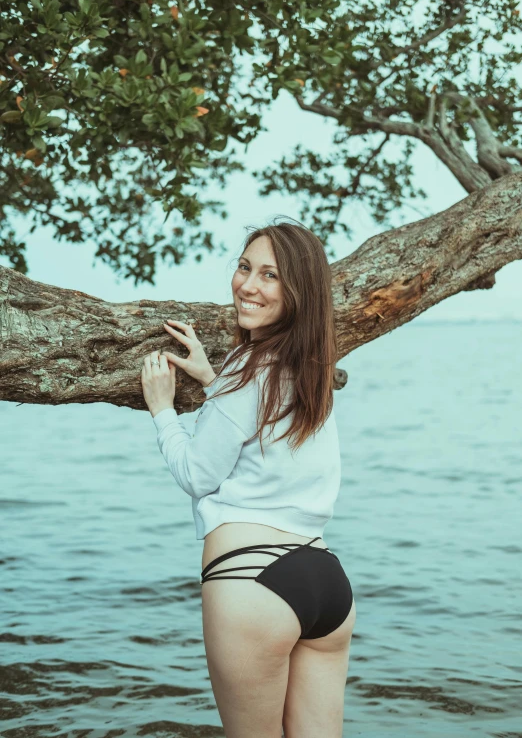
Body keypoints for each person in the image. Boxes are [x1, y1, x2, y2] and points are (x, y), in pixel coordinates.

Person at [140, 219, 356, 738]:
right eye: (244, 268)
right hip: (325, 581)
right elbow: (255, 430)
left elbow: (197, 474)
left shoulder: (247, 370)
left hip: (252, 580)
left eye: (269, 276)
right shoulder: (309, 371)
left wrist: (163, 411)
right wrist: (213, 378)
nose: (248, 285)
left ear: (297, 291)